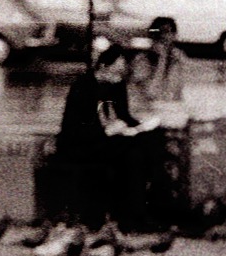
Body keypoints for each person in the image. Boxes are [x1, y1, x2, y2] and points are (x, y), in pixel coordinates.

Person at [54, 45, 160, 230]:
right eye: (117, 71)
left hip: (109, 140)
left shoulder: (116, 85)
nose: (119, 77)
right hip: (83, 144)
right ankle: (132, 215)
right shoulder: (83, 87)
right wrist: (107, 131)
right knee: (133, 154)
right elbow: (73, 129)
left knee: (146, 146)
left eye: (122, 72)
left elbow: (124, 114)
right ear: (103, 66)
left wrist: (141, 126)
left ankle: (140, 211)